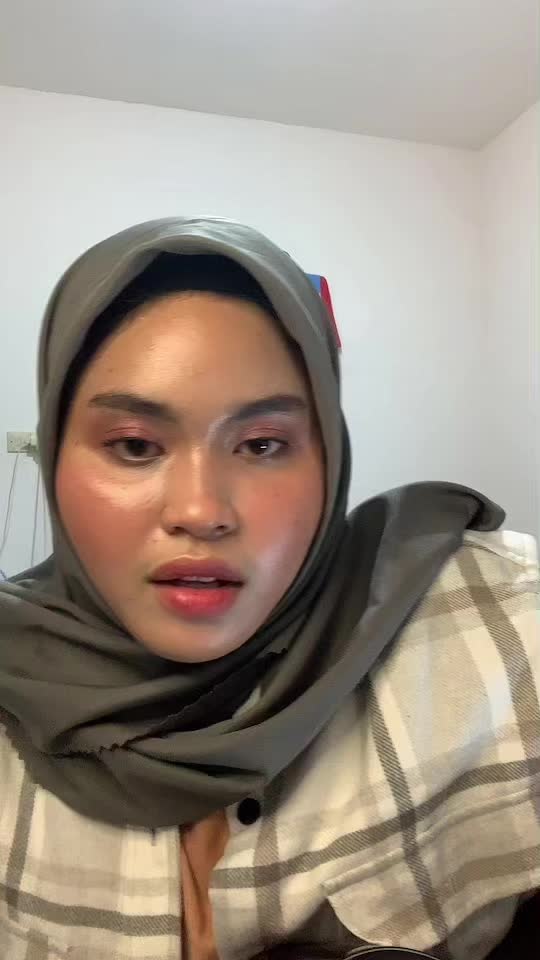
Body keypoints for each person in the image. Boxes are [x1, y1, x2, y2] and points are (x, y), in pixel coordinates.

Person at [0, 217, 538, 960]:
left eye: (261, 445)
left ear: (329, 456)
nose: (201, 511)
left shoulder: (502, 629)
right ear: (56, 455)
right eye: (134, 445)